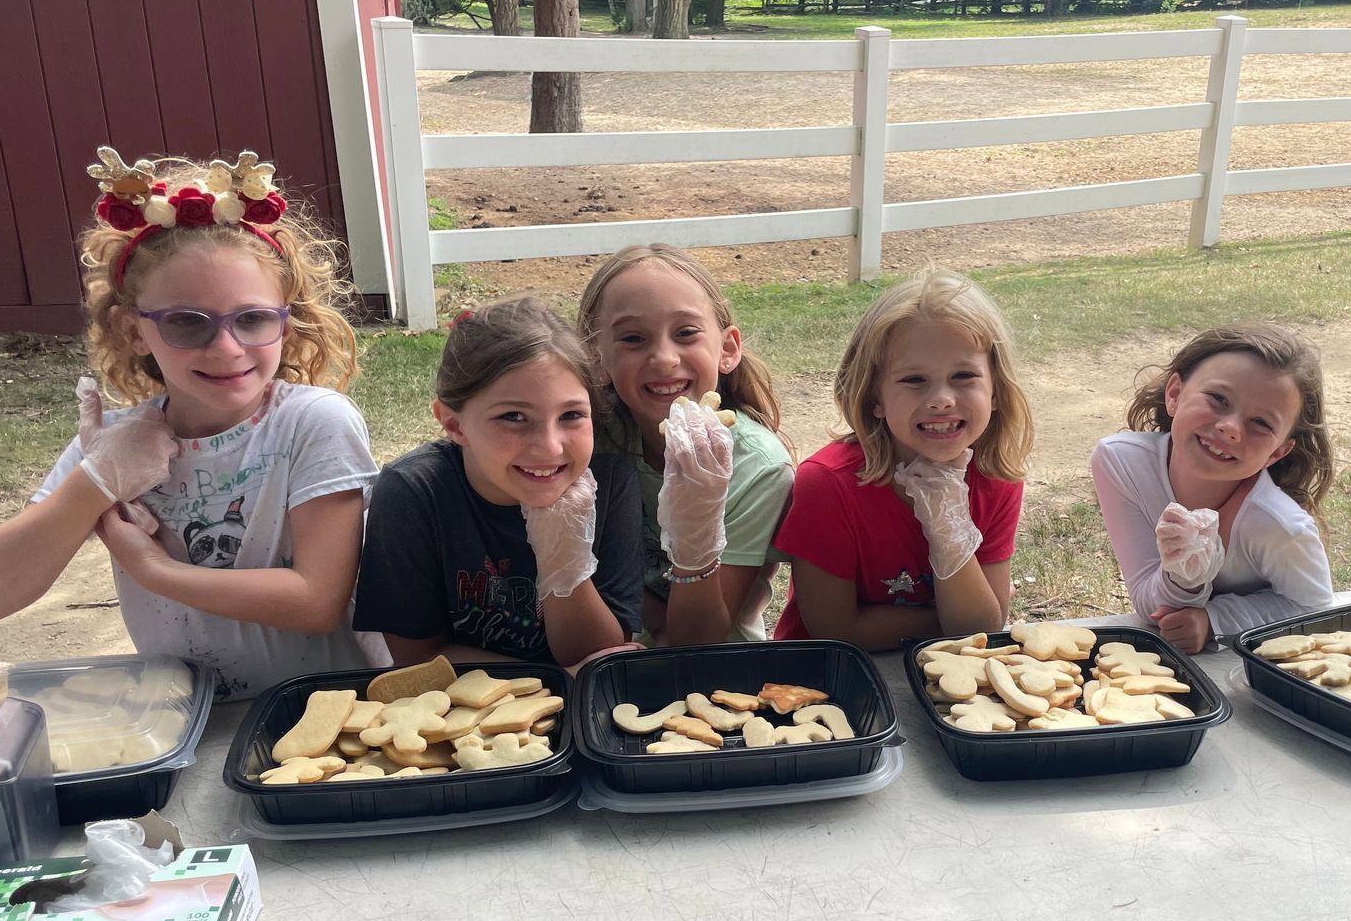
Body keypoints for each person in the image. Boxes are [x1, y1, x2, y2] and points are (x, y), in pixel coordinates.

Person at [0, 149, 388, 699]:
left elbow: (315, 600)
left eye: (253, 318)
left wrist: (152, 569)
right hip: (187, 716)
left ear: (286, 320)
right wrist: (95, 482)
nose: (227, 348)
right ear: (134, 330)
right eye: (187, 323)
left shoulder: (311, 423)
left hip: (326, 712)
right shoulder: (114, 446)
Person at [353, 297, 641, 667]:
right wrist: (556, 679)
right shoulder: (412, 491)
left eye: (571, 415)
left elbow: (599, 656)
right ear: (454, 424)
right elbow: (419, 658)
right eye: (514, 416)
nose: (550, 447)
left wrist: (565, 561)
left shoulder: (611, 483)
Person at [773, 270, 1033, 648]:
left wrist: (949, 526)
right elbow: (835, 632)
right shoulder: (828, 484)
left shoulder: (997, 476)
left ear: (995, 392)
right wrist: (947, 621)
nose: (942, 398)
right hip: (825, 678)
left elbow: (983, 626)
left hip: (941, 673)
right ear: (873, 396)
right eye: (914, 380)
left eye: (963, 376)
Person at [578, 245, 794, 645]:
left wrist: (696, 536)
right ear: (595, 358)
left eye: (686, 333)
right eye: (633, 338)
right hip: (598, 658)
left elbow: (696, 640)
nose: (663, 358)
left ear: (727, 349)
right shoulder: (585, 444)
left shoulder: (758, 469)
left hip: (718, 673)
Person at [1091, 322, 1335, 653]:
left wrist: (1214, 621)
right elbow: (1148, 605)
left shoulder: (1279, 526)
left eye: (1261, 423)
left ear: (1277, 452)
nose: (1231, 428)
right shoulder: (1121, 464)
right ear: (1175, 394)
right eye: (1218, 399)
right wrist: (1185, 577)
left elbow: (1316, 611)